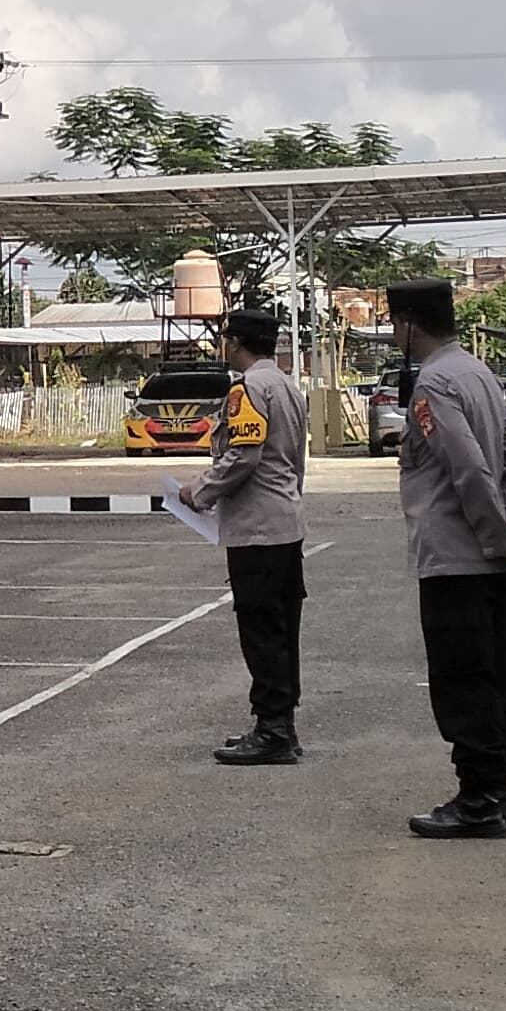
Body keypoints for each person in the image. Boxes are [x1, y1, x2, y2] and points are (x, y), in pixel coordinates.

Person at [390, 279, 506, 838]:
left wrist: (497, 535)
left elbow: (468, 467)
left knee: (462, 678)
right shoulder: (477, 371)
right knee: (495, 673)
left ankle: (478, 801)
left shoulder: (433, 383)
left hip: (458, 555)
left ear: (408, 324)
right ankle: (499, 793)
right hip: (495, 556)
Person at [187, 307, 314, 767]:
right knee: (283, 628)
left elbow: (243, 456)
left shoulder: (247, 389)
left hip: (256, 530)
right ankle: (283, 724)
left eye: (225, 338)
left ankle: (272, 729)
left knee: (261, 630)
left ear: (235, 342)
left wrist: (197, 491)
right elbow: (294, 460)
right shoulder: (285, 385)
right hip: (285, 522)